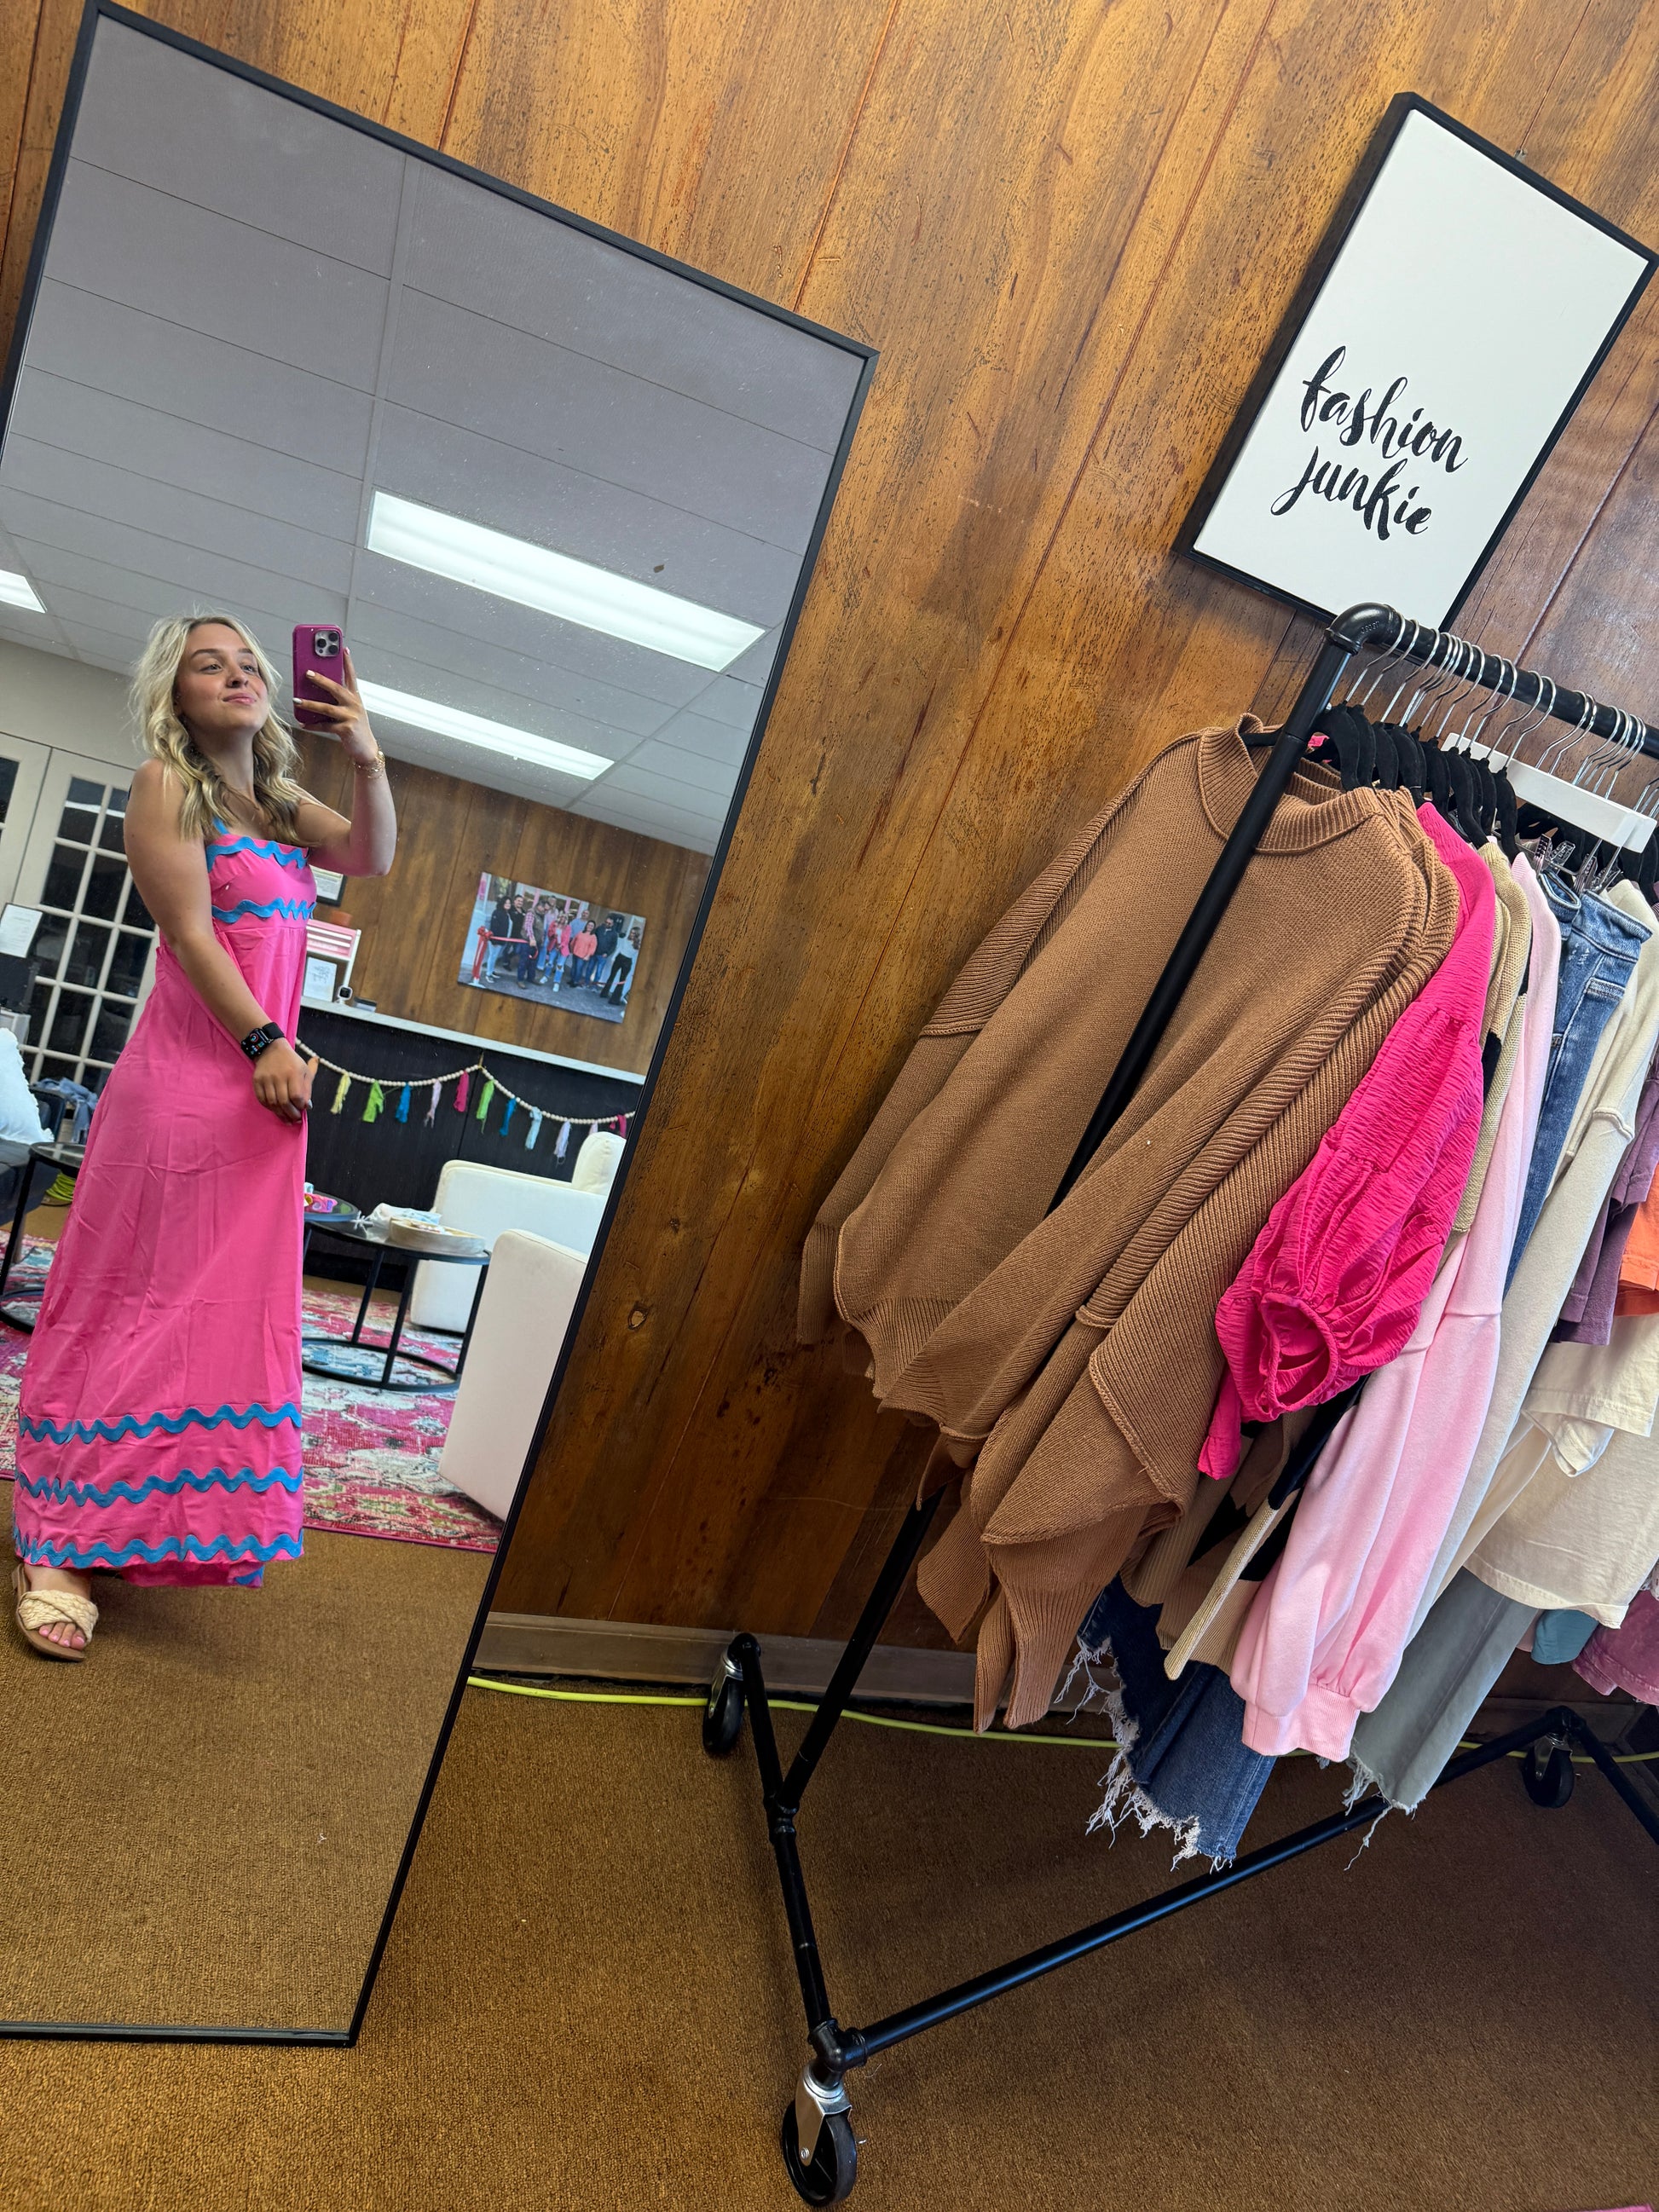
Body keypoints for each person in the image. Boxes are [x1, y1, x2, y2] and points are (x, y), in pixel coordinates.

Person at [9, 614, 396, 1658]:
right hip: (193, 1084)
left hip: (262, 1102)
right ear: (174, 694)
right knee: (131, 1303)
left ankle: (138, 1521)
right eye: (207, 665)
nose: (235, 675)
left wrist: (364, 751)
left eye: (247, 663)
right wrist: (266, 1038)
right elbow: (187, 933)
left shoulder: (278, 801)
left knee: (216, 1317)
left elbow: (369, 853)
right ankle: (57, 1538)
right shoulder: (165, 786)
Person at [569, 917, 598, 989]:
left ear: (593, 927)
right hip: (575, 953)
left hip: (583, 956)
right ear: (586, 925)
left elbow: (593, 948)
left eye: (592, 926)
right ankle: (572, 980)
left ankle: (576, 982)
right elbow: (574, 941)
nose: (590, 927)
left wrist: (588, 955)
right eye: (589, 925)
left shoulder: (593, 937)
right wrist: (572, 949)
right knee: (573, 968)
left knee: (579, 969)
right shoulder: (580, 933)